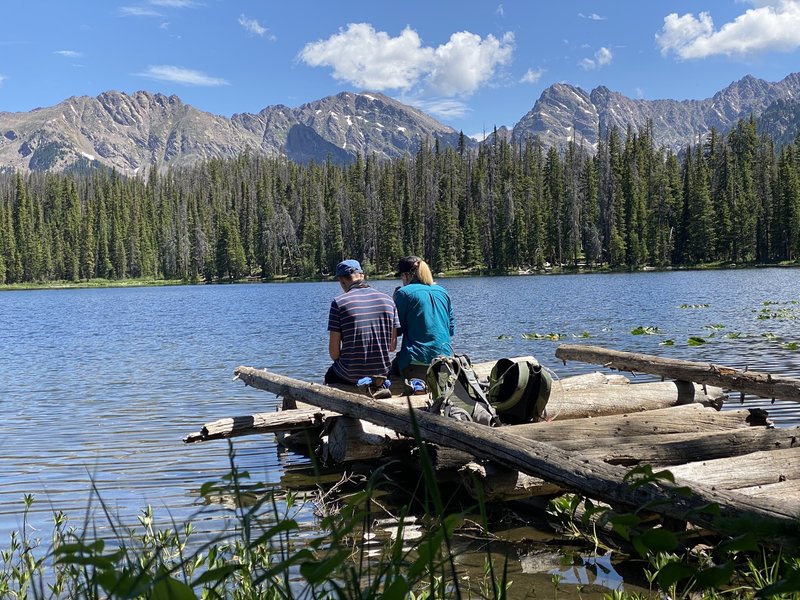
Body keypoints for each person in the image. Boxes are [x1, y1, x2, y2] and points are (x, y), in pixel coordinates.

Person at [325, 259, 399, 385]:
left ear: (342, 281)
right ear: (362, 276)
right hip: (381, 375)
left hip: (349, 376)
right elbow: (392, 347)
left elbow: (334, 353)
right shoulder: (388, 300)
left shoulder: (339, 303)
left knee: (330, 376)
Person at [392, 256, 455, 379]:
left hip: (416, 362)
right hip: (445, 362)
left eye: (401, 276)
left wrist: (393, 303)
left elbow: (397, 330)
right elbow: (450, 329)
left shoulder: (403, 293)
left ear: (406, 275)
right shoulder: (442, 291)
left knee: (390, 373)